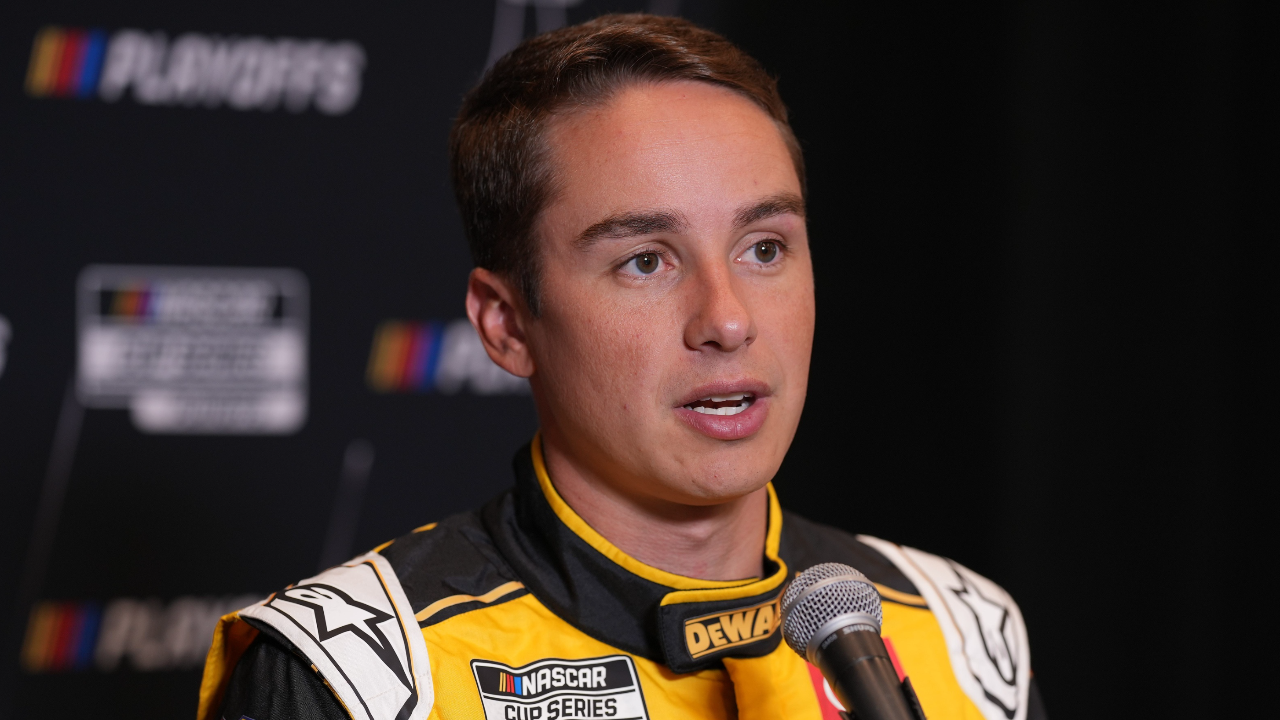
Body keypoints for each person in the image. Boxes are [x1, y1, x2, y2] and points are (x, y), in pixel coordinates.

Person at [199, 14, 1048, 720]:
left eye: (764, 247)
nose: (728, 320)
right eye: (646, 261)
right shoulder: (358, 676)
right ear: (506, 323)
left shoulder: (962, 632)